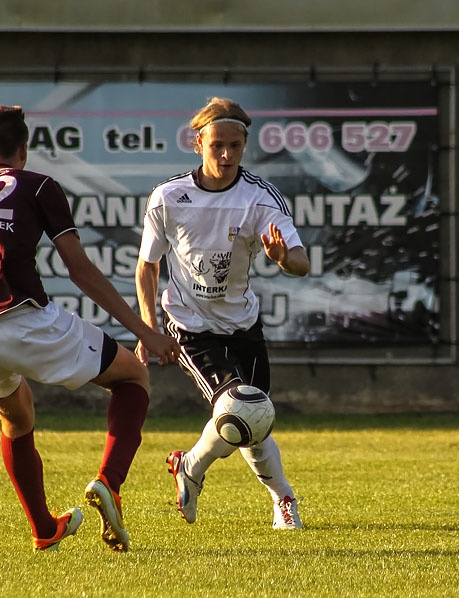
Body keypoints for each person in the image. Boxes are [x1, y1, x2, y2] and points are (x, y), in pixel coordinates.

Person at [0, 105, 180, 553]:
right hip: (22, 320)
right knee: (132, 376)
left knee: (18, 416)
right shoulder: (38, 184)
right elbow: (80, 271)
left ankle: (45, 528)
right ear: (24, 150)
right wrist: (146, 331)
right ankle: (110, 484)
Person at [135, 97, 310, 529]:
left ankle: (191, 466)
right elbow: (147, 267)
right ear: (198, 144)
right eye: (217, 146)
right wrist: (148, 329)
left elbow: (303, 263)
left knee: (257, 422)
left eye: (235, 145)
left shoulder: (261, 198)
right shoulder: (169, 197)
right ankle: (285, 498)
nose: (227, 155)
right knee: (237, 406)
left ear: (246, 145)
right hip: (191, 324)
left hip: (242, 322)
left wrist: (282, 258)